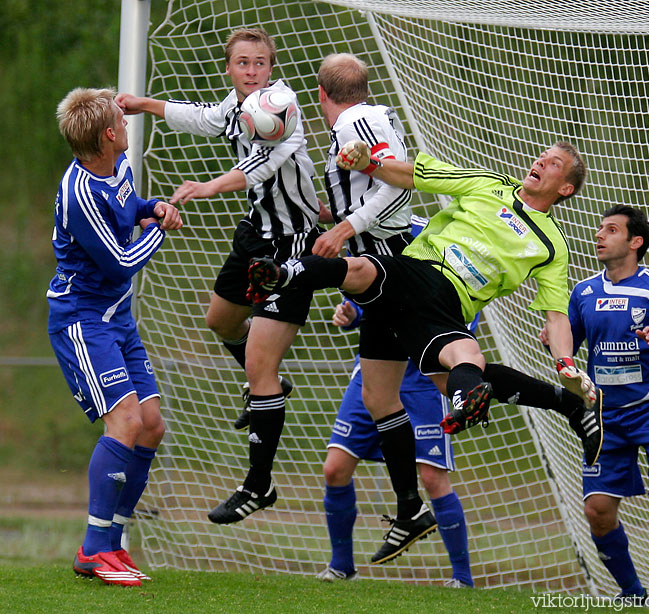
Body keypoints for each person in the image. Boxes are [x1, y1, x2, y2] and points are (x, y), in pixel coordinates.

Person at [246, 141, 604, 563]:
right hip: (418, 269)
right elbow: (417, 174)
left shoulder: (552, 247)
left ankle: (552, 405)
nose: (540, 163)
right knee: (380, 366)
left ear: (564, 188)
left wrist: (565, 363)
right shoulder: (489, 185)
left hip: (448, 299)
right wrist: (371, 164)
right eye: (541, 157)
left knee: (450, 363)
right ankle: (284, 273)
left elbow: (557, 315)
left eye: (554, 164)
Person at [116, 28, 322, 523]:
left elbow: (258, 167)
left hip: (293, 243)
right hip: (256, 234)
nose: (252, 71)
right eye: (243, 63)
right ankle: (265, 380)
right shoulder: (235, 104)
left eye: (260, 63)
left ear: (271, 68)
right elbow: (203, 117)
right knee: (221, 321)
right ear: (229, 68)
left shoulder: (281, 109)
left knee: (259, 366)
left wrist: (206, 186)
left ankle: (259, 484)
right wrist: (142, 103)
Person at [233, 52, 413, 431]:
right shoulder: (363, 119)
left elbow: (398, 185)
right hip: (379, 252)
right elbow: (375, 185)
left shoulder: (356, 122)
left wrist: (343, 229)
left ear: (320, 94)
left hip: (386, 252)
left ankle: (280, 274)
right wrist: (332, 215)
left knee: (441, 365)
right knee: (381, 398)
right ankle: (409, 496)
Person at [48, 87, 183, 586]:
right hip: (82, 319)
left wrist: (155, 207)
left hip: (116, 317)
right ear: (108, 134)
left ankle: (112, 544)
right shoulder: (79, 193)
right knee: (124, 420)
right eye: (120, 120)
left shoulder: (117, 164)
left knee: (150, 425)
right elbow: (121, 262)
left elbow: (129, 211)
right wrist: (163, 228)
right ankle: (92, 547)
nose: (126, 122)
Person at [562, 205, 649, 602]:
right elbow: (567, 342)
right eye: (599, 229)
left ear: (635, 242)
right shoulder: (584, 291)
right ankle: (633, 595)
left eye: (611, 230)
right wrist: (556, 343)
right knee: (598, 511)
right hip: (604, 418)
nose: (599, 236)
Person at [317, 298, 475, 585]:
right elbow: (370, 299)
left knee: (431, 476)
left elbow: (457, 325)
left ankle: (462, 578)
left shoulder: (452, 265)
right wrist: (353, 313)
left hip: (424, 382)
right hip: (372, 375)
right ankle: (341, 566)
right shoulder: (385, 254)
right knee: (335, 468)